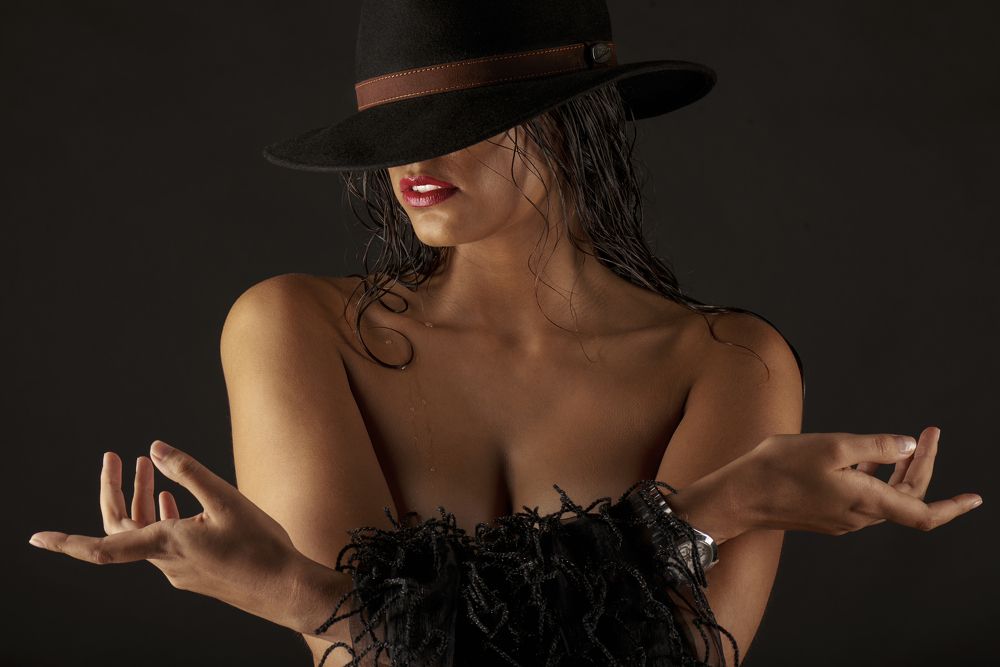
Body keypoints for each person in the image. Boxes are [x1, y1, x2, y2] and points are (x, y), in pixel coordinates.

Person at [27, 2, 984, 667]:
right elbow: (372, 659)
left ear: (571, 120)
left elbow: (673, 662)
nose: (414, 155)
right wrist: (714, 508)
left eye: (458, 116)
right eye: (396, 124)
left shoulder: (729, 361)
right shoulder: (294, 326)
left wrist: (295, 591)